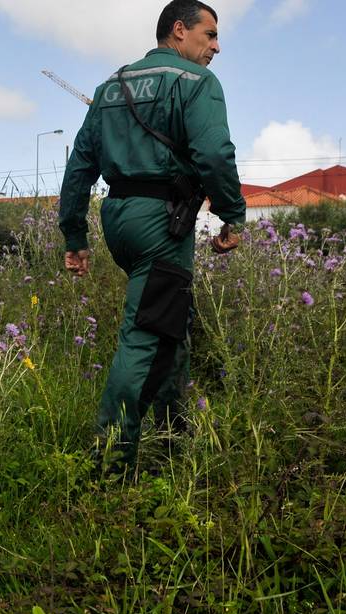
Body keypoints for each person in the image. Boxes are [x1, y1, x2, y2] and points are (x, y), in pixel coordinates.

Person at [57, 0, 246, 476]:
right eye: (210, 35)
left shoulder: (110, 87)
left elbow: (80, 166)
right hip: (163, 223)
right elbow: (215, 154)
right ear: (178, 30)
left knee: (170, 320)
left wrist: (75, 235)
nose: (216, 47)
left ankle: (171, 432)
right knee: (143, 337)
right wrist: (233, 215)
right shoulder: (196, 83)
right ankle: (111, 464)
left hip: (118, 217)